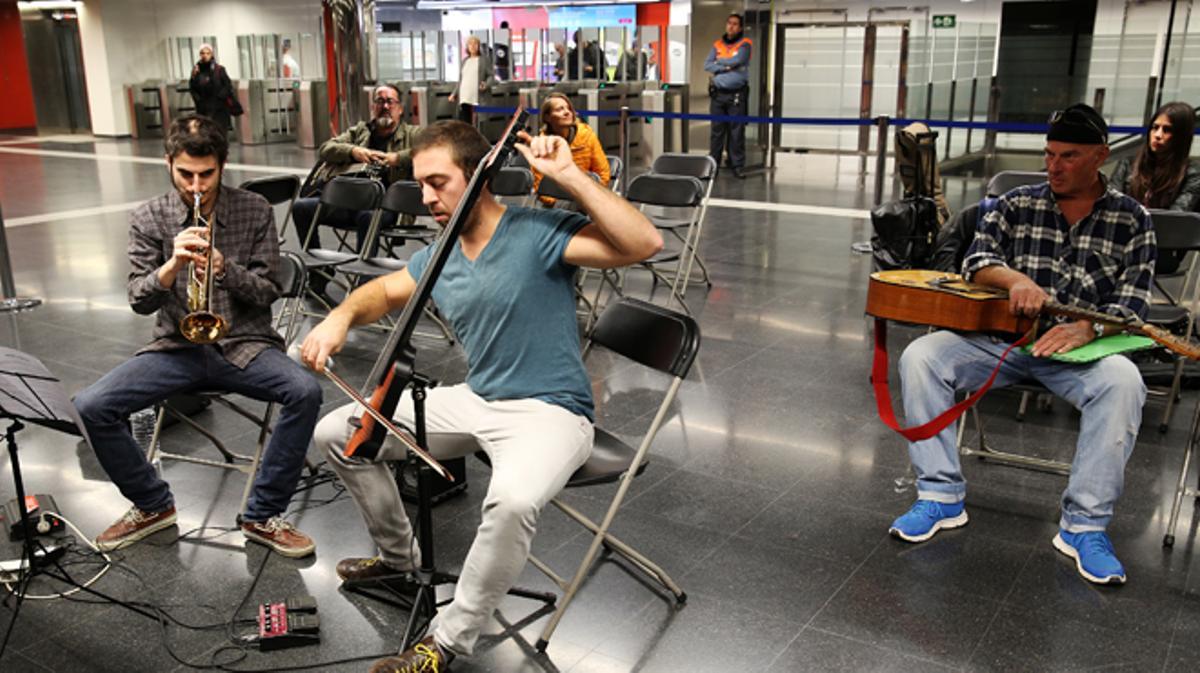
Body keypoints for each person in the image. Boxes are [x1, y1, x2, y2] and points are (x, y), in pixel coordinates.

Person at [298, 120, 662, 671]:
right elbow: (383, 291)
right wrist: (341, 318)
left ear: (477, 177)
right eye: (420, 185)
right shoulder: (440, 254)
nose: (426, 198)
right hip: (477, 398)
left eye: (439, 182)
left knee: (511, 502)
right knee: (336, 434)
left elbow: (645, 243)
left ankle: (446, 642)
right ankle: (399, 560)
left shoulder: (537, 232)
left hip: (551, 411)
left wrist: (570, 176)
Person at [889, 104, 1156, 586]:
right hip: (1000, 343)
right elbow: (977, 261)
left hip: (1076, 355)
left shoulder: (1133, 219)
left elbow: (1132, 307)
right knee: (922, 357)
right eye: (1049, 154)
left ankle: (1084, 527)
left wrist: (1088, 330)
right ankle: (939, 495)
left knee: (1124, 382)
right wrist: (1015, 280)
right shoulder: (1016, 203)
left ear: (1100, 156)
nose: (1053, 166)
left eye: (1068, 156)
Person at [73, 115, 323, 558]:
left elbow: (269, 291)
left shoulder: (254, 210)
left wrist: (225, 270)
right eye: (185, 173)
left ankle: (263, 513)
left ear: (222, 166)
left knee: (304, 391)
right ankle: (152, 504)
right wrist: (170, 269)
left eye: (207, 174)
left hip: (243, 344)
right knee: (91, 406)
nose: (197, 185)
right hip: (175, 347)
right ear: (168, 163)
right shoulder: (149, 217)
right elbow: (137, 299)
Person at [291, 83, 418, 297]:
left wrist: (397, 158)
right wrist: (354, 151)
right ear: (372, 107)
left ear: (400, 108)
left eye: (390, 101)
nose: (384, 106)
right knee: (301, 207)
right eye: (379, 101)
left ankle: (364, 284)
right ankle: (320, 272)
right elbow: (326, 149)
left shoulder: (412, 134)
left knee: (367, 217)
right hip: (347, 203)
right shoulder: (360, 131)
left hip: (382, 208)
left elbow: (434, 148)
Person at [1109, 101, 1200, 274]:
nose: (1158, 135)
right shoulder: (1128, 164)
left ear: (1181, 136)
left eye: (1167, 130)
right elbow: (1109, 204)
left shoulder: (1192, 174)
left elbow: (1174, 221)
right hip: (1118, 243)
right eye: (1155, 128)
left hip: (1160, 250)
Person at [532, 93, 610, 206]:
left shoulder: (586, 136)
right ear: (547, 117)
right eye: (560, 109)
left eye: (569, 108)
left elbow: (603, 174)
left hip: (586, 200)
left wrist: (588, 198)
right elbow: (539, 183)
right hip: (554, 203)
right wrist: (555, 202)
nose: (567, 112)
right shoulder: (541, 144)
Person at [704, 14, 752, 179]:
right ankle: (713, 167)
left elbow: (738, 60)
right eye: (729, 23)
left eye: (735, 24)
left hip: (736, 95)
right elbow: (707, 64)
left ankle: (737, 165)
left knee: (736, 132)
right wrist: (726, 66)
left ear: (740, 28)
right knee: (716, 132)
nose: (731, 27)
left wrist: (720, 62)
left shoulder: (745, 44)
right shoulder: (717, 44)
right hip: (718, 95)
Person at [188, 44, 234, 133]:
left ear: (212, 54)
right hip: (203, 109)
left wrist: (220, 98)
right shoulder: (196, 70)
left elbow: (227, 85)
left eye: (207, 53)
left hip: (219, 109)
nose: (205, 56)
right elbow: (192, 88)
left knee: (220, 133)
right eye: (202, 53)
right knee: (206, 133)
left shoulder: (219, 69)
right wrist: (194, 77)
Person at [448, 36, 492, 124]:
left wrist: (486, 84)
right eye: (470, 44)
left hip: (477, 98)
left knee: (477, 125)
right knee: (464, 125)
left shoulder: (484, 60)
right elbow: (460, 80)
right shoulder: (464, 61)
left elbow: (492, 76)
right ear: (467, 47)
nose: (473, 46)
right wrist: (454, 94)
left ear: (479, 46)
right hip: (464, 97)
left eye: (475, 43)